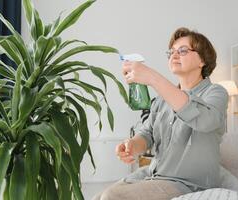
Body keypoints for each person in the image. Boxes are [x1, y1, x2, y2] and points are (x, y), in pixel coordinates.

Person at [92, 27, 228, 200]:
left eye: (183, 50)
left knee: (112, 196)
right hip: (153, 174)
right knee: (97, 197)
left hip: (188, 183)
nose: (174, 55)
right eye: (171, 52)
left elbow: (205, 121)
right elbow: (146, 134)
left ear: (202, 60)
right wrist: (132, 145)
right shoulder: (162, 100)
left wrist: (152, 78)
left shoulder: (216, 92)